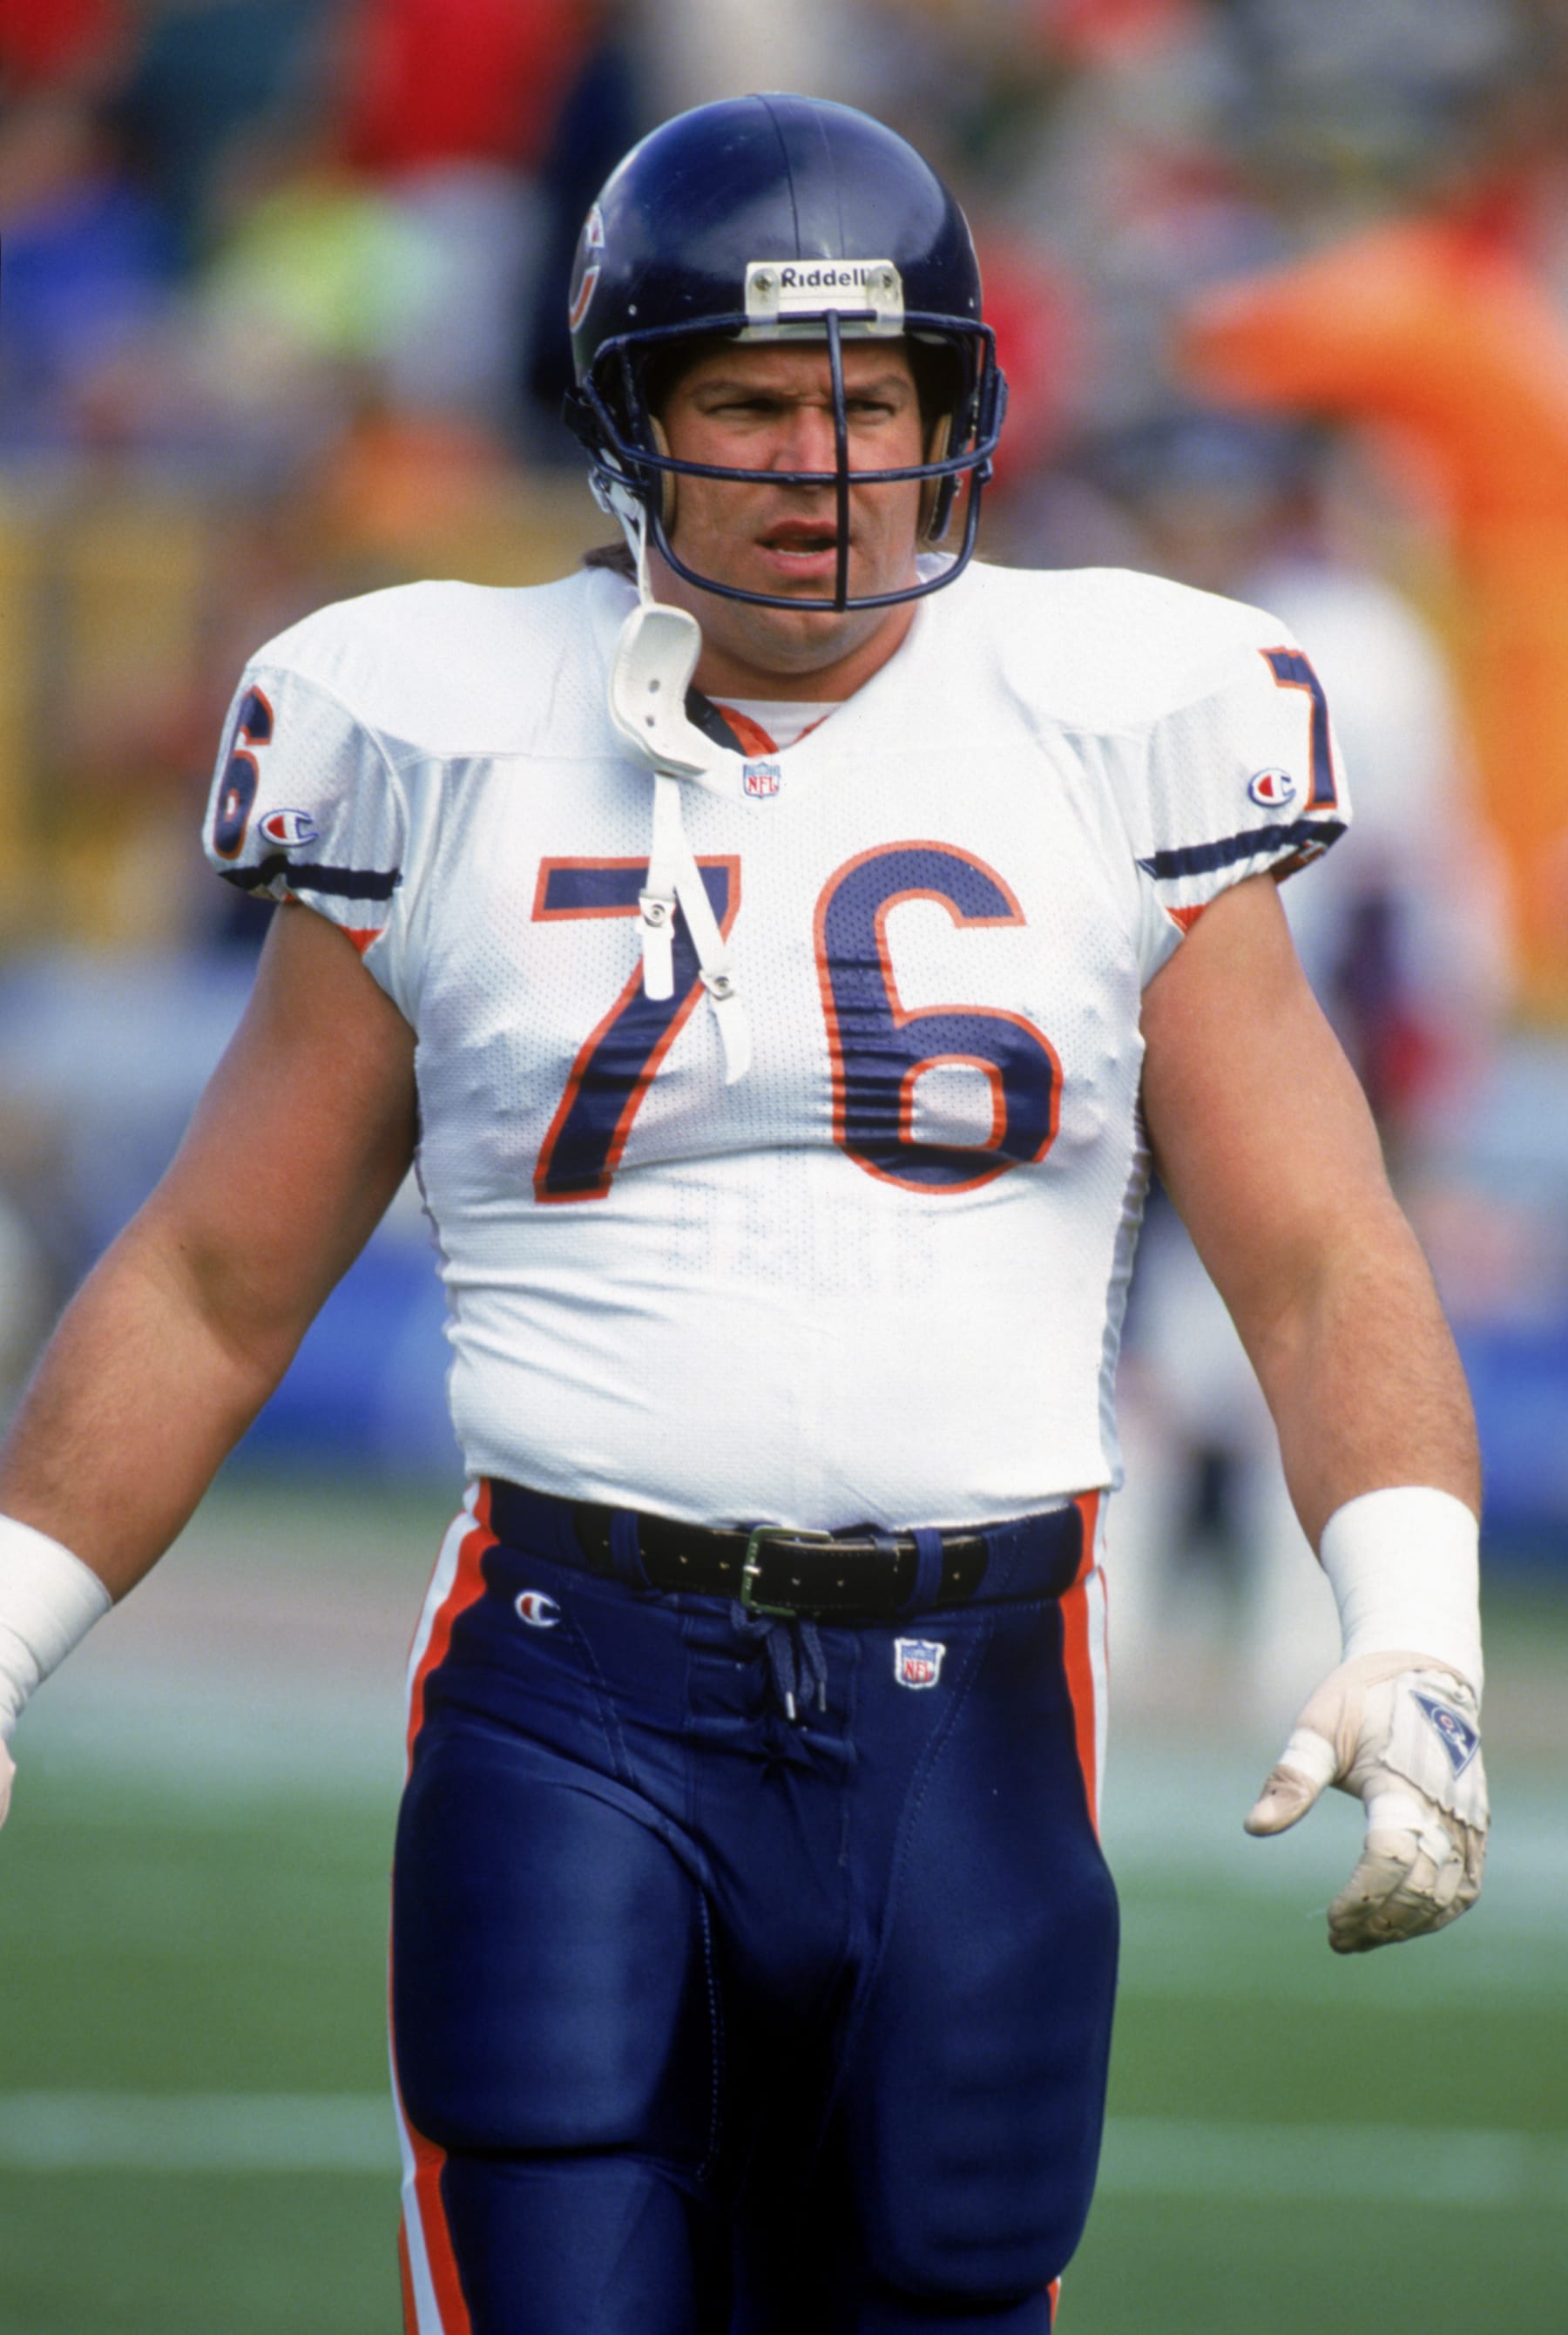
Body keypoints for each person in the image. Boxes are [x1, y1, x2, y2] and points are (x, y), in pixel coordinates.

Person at [0, 93, 1490, 2335]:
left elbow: (1315, 1244)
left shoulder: (1121, 714)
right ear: (626, 423)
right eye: (754, 401)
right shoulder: (435, 720)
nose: (829, 462)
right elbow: (220, 1271)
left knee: (954, 2292)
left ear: (956, 410)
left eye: (876, 398)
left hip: (976, 1699)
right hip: (569, 1686)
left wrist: (1419, 1616)